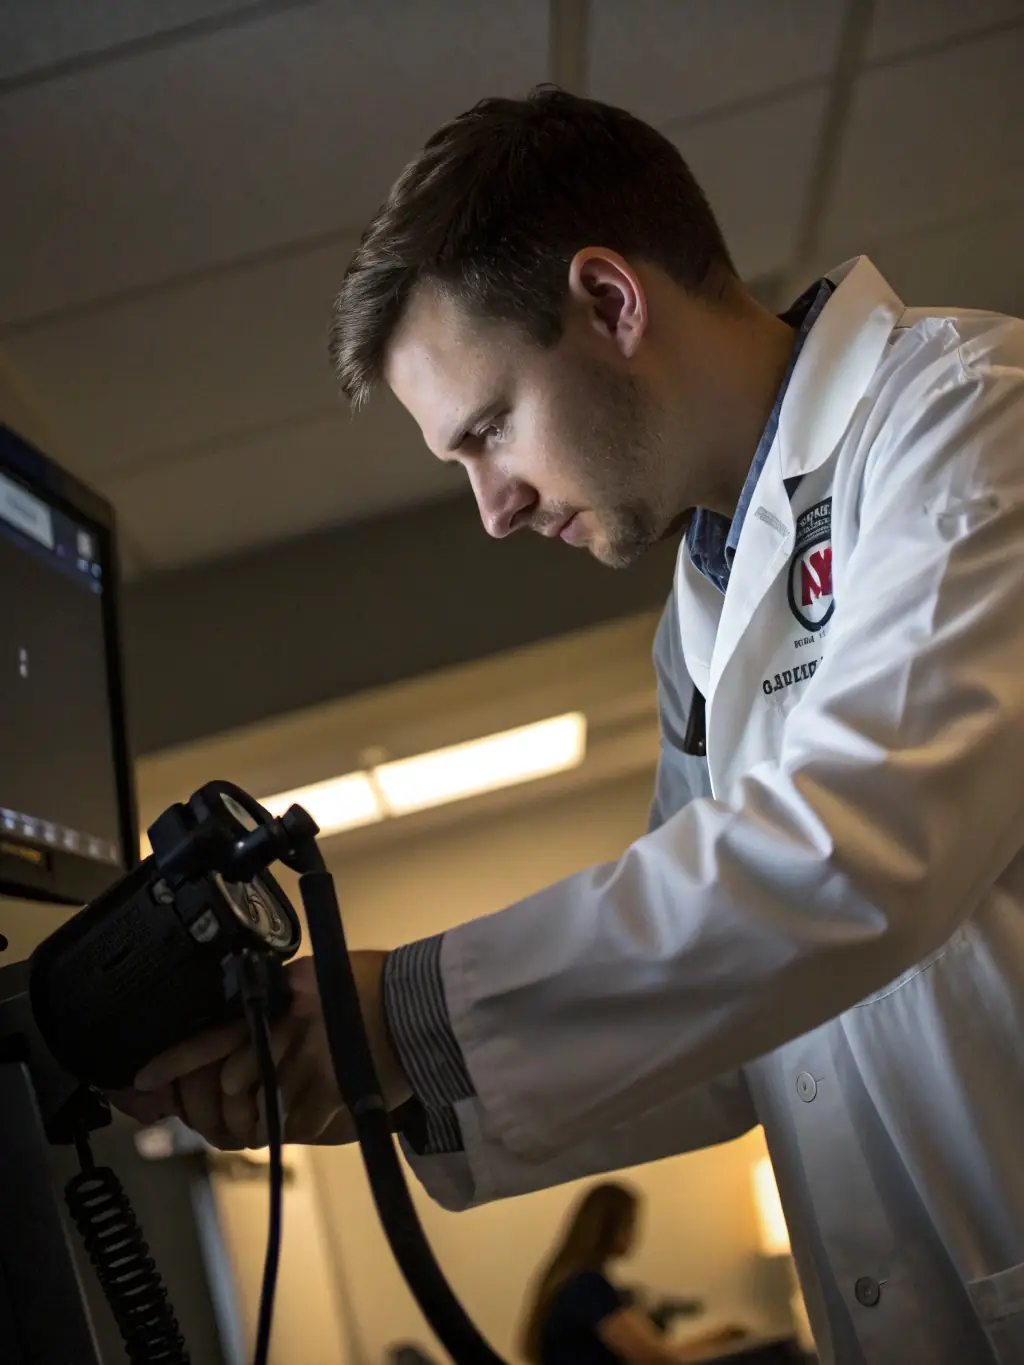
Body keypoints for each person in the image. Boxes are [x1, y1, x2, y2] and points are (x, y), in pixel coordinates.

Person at [113, 88, 1024, 1365]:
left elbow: (865, 848)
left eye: (488, 429)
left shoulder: (969, 419)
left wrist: (410, 1011)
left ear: (610, 302)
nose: (489, 509)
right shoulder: (699, 616)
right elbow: (731, 1019)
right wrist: (386, 1079)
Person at [520, 1182, 745, 1365]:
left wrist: (717, 1338)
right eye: (631, 1223)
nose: (635, 1233)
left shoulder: (573, 1280)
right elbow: (656, 1358)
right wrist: (718, 1339)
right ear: (611, 1227)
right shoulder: (588, 1286)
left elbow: (657, 1353)